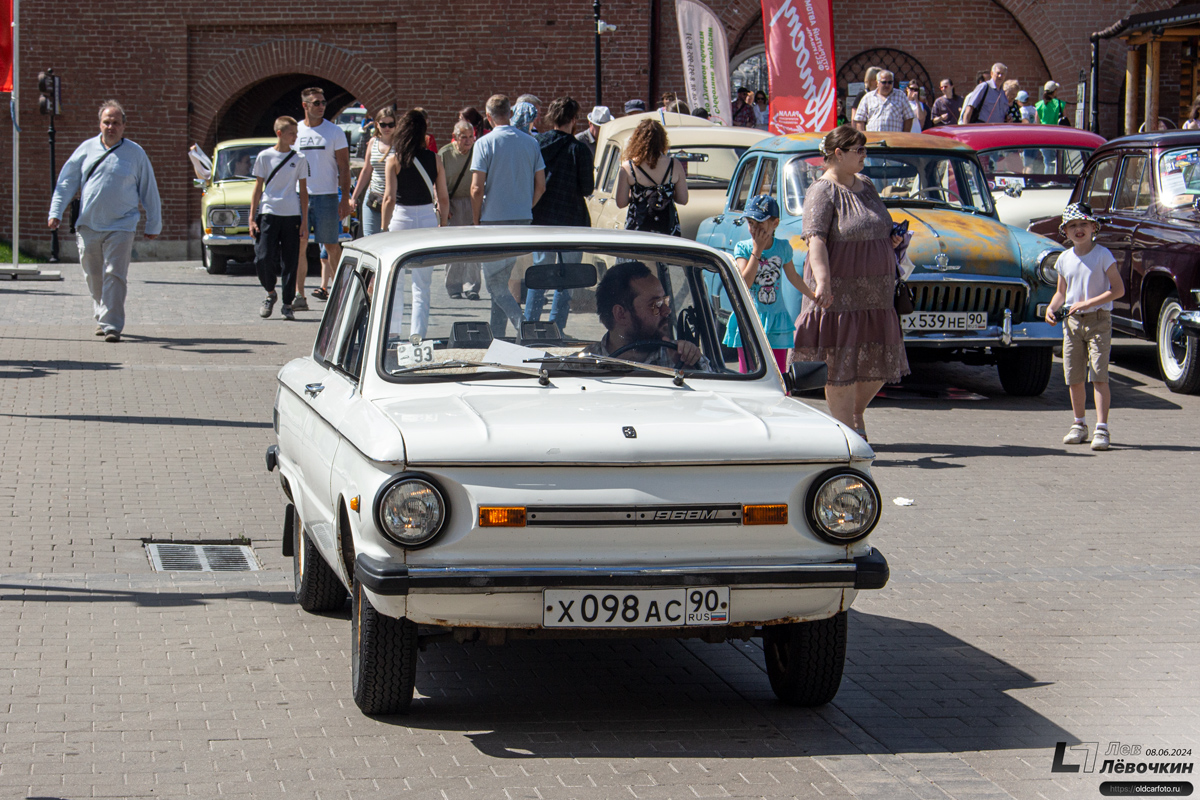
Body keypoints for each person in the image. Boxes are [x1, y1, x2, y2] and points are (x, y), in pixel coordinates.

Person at [793, 125, 909, 440]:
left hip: (875, 293)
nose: (864, 155)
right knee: (840, 361)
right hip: (839, 291)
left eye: (864, 149)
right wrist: (823, 282)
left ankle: (856, 413)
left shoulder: (866, 184)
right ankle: (846, 432)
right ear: (838, 154)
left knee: (877, 357)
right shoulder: (822, 190)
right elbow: (815, 240)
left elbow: (874, 225)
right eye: (858, 150)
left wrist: (893, 240)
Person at [47, 100, 162, 343]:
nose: (111, 127)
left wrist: (154, 224)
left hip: (122, 224)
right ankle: (102, 313)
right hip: (88, 224)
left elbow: (149, 189)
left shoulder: (135, 153)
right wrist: (55, 211)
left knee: (115, 273)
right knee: (93, 275)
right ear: (100, 124)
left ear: (124, 126)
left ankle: (112, 325)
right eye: (107, 122)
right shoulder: (86, 149)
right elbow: (67, 181)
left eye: (116, 123)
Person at [1044, 203, 1124, 451]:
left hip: (1098, 320)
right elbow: (1061, 292)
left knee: (1099, 375)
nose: (1078, 229)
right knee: (1074, 376)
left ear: (1093, 228)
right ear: (1065, 232)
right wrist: (1051, 308)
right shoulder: (1065, 258)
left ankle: (1102, 428)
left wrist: (1088, 302)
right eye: (1072, 226)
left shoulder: (1102, 255)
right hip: (1072, 323)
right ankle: (1079, 424)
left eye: (1083, 224)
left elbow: (1117, 290)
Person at [470, 94, 547, 337]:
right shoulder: (530, 142)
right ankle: (498, 335)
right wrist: (527, 206)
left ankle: (523, 327)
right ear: (510, 113)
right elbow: (541, 185)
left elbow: (476, 188)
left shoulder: (484, 143)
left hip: (493, 221)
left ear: (488, 115)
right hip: (521, 219)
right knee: (500, 283)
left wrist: (476, 219)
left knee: (494, 285)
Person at [723, 195, 815, 373]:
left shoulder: (783, 247)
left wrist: (812, 295)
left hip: (776, 322)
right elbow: (745, 283)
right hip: (749, 317)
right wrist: (756, 251)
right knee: (748, 374)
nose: (754, 230)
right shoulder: (743, 248)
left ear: (774, 224)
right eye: (751, 224)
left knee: (778, 374)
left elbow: (793, 277)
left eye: (760, 225)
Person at [527, 96, 595, 332]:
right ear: (574, 119)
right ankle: (556, 327)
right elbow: (587, 188)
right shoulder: (580, 150)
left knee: (539, 274)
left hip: (542, 217)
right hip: (572, 220)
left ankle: (530, 325)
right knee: (566, 279)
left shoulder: (537, 143)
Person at [381, 109, 449, 339]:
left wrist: (383, 228)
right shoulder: (435, 159)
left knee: (395, 280)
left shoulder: (394, 159)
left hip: (401, 217)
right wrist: (443, 225)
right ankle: (418, 334)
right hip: (427, 218)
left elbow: (389, 198)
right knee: (422, 284)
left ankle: (392, 332)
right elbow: (443, 197)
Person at [584, 260, 711, 370]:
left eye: (665, 301)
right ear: (621, 314)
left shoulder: (679, 357)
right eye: (656, 305)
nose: (667, 311)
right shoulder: (582, 365)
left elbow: (712, 392)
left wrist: (689, 368)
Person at [295, 87, 351, 308]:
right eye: (316, 103)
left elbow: (344, 166)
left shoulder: (334, 131)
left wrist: (345, 197)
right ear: (305, 106)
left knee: (332, 245)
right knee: (299, 245)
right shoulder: (295, 131)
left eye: (323, 102)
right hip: (300, 196)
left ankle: (340, 295)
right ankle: (300, 296)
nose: (321, 106)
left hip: (327, 195)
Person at [248, 116, 308, 321]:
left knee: (290, 260)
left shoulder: (299, 158)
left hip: (291, 213)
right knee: (262, 256)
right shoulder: (264, 156)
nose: (296, 136)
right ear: (280, 133)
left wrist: (305, 221)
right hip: (268, 212)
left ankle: (287, 303)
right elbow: (257, 187)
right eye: (292, 133)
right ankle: (270, 292)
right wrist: (251, 217)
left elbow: (304, 190)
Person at [615, 119, 689, 237]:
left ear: (637, 140)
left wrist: (638, 196)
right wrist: (664, 195)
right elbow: (683, 199)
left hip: (638, 230)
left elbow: (621, 202)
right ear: (662, 141)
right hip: (667, 230)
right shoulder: (674, 165)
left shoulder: (628, 167)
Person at [439, 121, 482, 300]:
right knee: (454, 247)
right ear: (455, 137)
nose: (468, 140)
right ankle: (454, 286)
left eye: (471, 136)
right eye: (463, 137)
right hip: (452, 202)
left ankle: (472, 286)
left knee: (474, 247)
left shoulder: (477, 151)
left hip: (473, 200)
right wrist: (443, 205)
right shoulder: (445, 154)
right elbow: (438, 182)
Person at [351, 106, 396, 237]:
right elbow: (366, 170)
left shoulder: (399, 144)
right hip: (373, 197)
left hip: (393, 199)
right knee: (370, 237)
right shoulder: (373, 142)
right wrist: (354, 197)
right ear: (377, 125)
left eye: (390, 124)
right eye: (383, 125)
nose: (387, 128)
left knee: (390, 238)